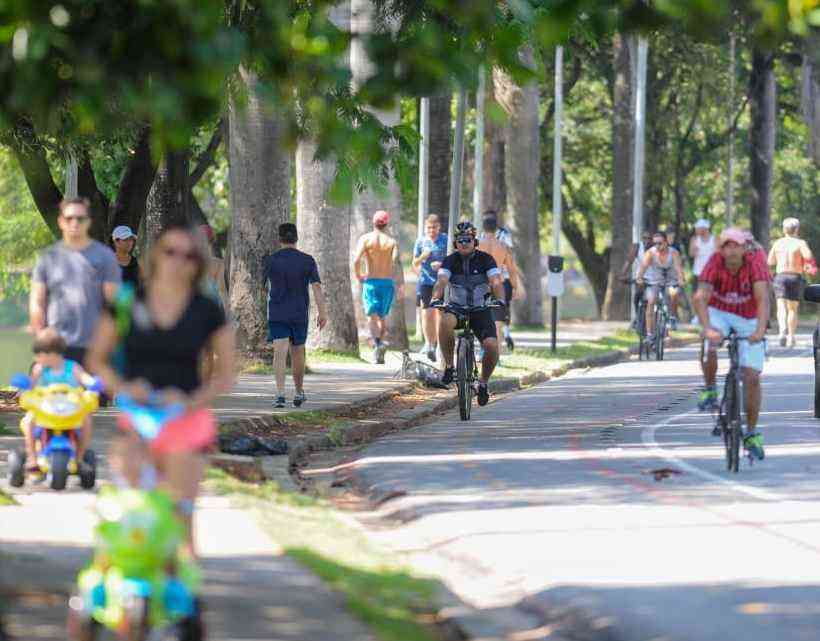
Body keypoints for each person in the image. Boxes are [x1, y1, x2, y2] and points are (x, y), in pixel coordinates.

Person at [87, 225, 236, 550]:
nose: (178, 261)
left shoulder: (207, 309)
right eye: (170, 251)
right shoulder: (128, 301)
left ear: (198, 263)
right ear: (155, 254)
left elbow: (225, 375)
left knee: (180, 517)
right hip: (138, 418)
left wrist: (190, 400)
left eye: (189, 255)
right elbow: (97, 360)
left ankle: (184, 592)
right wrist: (124, 388)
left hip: (187, 420)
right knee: (128, 512)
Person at [694, 227, 770, 460]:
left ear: (744, 248)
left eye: (736, 245)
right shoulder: (714, 262)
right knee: (710, 342)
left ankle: (752, 432)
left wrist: (759, 331)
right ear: (721, 249)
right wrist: (707, 328)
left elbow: (763, 299)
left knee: (752, 377)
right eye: (727, 245)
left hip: (748, 316)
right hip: (720, 312)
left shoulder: (755, 263)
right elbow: (701, 297)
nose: (732, 250)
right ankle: (709, 389)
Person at [30, 197, 121, 366]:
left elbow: (114, 303)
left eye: (80, 218)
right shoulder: (47, 257)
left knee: (96, 393)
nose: (74, 223)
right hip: (56, 349)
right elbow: (37, 301)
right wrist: (41, 335)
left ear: (89, 222)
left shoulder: (106, 257)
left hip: (94, 349)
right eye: (69, 218)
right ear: (60, 221)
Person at [430, 221, 506, 407]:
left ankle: (483, 383)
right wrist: (435, 298)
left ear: (475, 241)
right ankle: (449, 367)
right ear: (455, 243)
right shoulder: (450, 260)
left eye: (468, 240)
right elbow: (441, 281)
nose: (464, 243)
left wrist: (500, 299)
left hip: (480, 310)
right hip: (457, 308)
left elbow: (495, 281)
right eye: (460, 240)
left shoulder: (486, 259)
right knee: (445, 321)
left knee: (492, 345)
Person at [263, 223, 328, 408]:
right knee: (298, 351)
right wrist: (323, 312)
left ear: (279, 238)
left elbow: (262, 288)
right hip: (299, 311)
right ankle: (299, 393)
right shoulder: (308, 260)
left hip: (277, 311)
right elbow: (316, 286)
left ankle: (280, 394)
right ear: (296, 238)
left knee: (280, 351)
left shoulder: (271, 260)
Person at [20, 328, 97, 473]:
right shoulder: (39, 369)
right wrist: (24, 385)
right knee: (29, 420)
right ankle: (32, 458)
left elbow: (84, 378)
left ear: (52, 354)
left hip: (71, 409)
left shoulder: (72, 367)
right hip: (45, 409)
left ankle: (79, 458)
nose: (36, 358)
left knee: (86, 420)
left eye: (38, 354)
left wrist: (93, 383)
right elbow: (31, 384)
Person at [352, 210, 403, 364]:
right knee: (382, 317)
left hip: (371, 281)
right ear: (386, 224)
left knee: (371, 316)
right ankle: (380, 344)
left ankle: (377, 344)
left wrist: (359, 275)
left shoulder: (366, 239)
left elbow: (356, 260)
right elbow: (395, 261)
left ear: (373, 223)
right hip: (387, 282)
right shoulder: (392, 242)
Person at [768, 218, 817, 347]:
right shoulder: (800, 243)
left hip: (781, 276)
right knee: (792, 309)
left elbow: (770, 261)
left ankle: (782, 331)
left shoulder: (778, 243)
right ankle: (791, 336)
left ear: (784, 230)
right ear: (797, 229)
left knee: (781, 306)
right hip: (795, 276)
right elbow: (808, 256)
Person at [480, 216, 520, 354]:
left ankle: (483, 349)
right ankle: (495, 354)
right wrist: (514, 287)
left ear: (483, 228)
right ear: (496, 229)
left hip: (481, 284)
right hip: (498, 284)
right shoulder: (503, 247)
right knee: (497, 322)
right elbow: (511, 270)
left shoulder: (476, 245)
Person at [636, 231, 686, 341]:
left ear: (666, 242)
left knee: (674, 293)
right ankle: (650, 334)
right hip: (655, 280)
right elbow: (643, 267)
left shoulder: (673, 253)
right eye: (655, 243)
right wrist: (639, 278)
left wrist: (681, 279)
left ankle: (672, 317)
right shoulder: (650, 253)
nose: (658, 246)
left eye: (660, 243)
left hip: (670, 279)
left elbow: (678, 268)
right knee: (651, 301)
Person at [412, 214, 448, 362]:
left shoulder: (445, 239)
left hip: (441, 281)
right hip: (425, 281)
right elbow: (414, 262)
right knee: (426, 313)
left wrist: (442, 264)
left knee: (440, 313)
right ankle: (429, 344)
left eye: (434, 227)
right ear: (425, 227)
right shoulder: (421, 241)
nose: (431, 230)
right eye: (428, 227)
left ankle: (439, 344)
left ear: (439, 227)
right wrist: (423, 257)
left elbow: (454, 257)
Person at [620, 230, 653, 324]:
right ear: (641, 239)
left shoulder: (656, 248)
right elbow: (629, 261)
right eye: (644, 238)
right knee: (638, 294)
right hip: (641, 276)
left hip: (654, 277)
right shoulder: (637, 247)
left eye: (649, 238)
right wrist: (623, 274)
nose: (647, 241)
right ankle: (638, 317)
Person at [111, 225, 142, 291]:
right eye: (125, 239)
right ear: (116, 242)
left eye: (131, 239)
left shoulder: (135, 262)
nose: (130, 243)